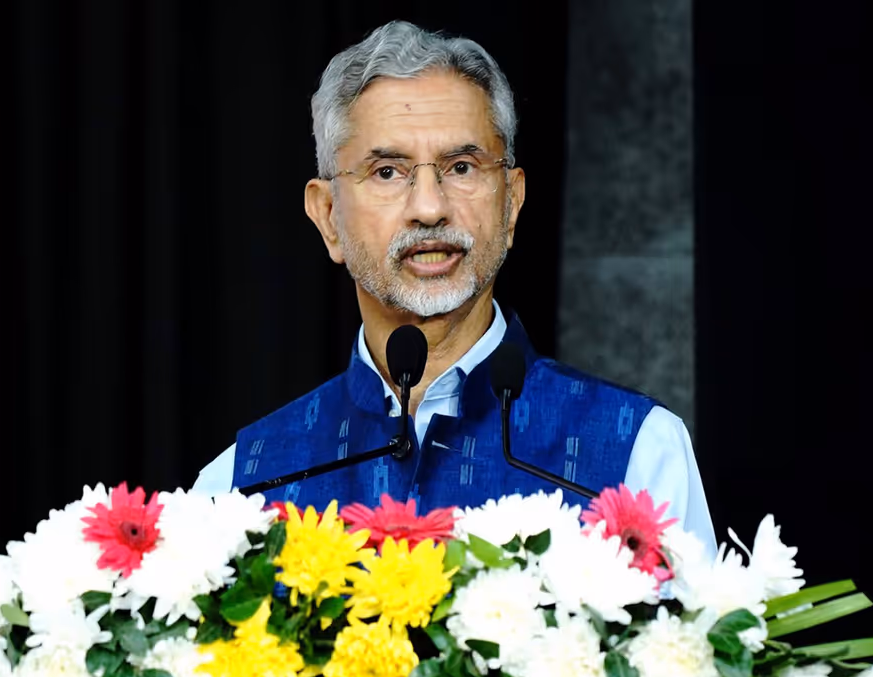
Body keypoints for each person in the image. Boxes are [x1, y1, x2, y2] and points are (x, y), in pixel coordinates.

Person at [193, 20, 715, 553]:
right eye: (387, 172)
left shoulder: (639, 456)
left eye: (462, 167)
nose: (429, 208)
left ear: (511, 204)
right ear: (328, 216)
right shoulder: (240, 487)